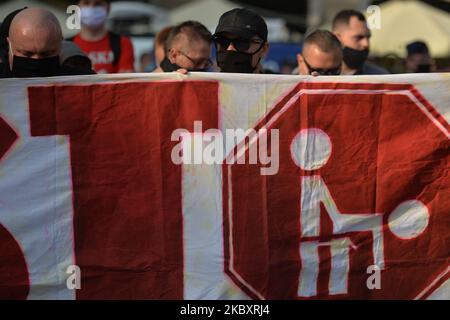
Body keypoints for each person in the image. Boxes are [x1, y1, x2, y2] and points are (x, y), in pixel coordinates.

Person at [0, 8, 95, 78]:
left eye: (46, 53)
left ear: (60, 45)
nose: (36, 60)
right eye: (27, 54)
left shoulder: (84, 81)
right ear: (9, 44)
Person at [71, 0, 134, 73]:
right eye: (86, 3)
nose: (91, 8)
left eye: (98, 4)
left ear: (108, 8)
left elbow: (125, 80)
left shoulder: (123, 43)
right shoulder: (66, 45)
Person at [212, 8, 270, 74]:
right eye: (223, 42)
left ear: (264, 49)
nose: (230, 49)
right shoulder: (202, 83)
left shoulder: (278, 84)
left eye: (242, 43)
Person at [332, 9, 388, 75]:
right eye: (358, 37)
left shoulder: (380, 76)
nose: (366, 44)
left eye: (368, 37)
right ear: (337, 38)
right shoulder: (321, 75)